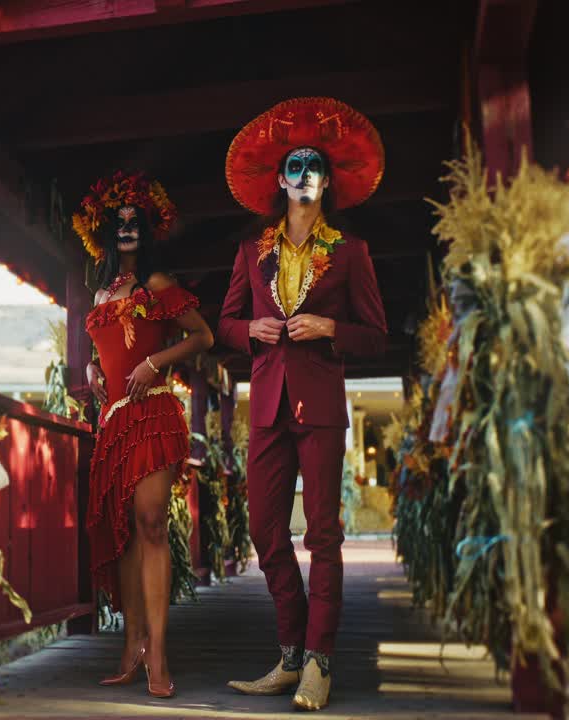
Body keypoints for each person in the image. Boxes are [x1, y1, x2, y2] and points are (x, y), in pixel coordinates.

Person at [217, 98, 388, 711]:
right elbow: (225, 324)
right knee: (264, 526)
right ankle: (290, 651)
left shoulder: (351, 252)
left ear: (326, 181)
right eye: (296, 165)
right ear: (282, 180)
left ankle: (320, 659)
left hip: (318, 407)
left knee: (323, 534)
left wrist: (330, 328)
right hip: (265, 407)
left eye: (316, 165)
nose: (306, 173)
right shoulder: (249, 252)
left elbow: (377, 333)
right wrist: (249, 332)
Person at [75, 170, 214, 699]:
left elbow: (202, 336)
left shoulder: (157, 285)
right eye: (119, 221)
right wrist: (91, 370)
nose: (127, 227)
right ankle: (130, 643)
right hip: (113, 421)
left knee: (153, 523)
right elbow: (103, 351)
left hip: (152, 413)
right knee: (126, 530)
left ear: (148, 230)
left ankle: (158, 650)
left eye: (136, 220)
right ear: (107, 231)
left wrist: (156, 362)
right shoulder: (98, 291)